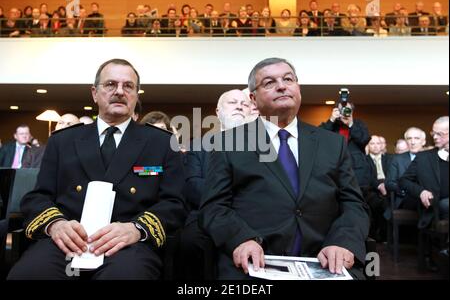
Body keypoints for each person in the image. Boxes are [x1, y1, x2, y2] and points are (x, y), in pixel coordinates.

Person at [7, 59, 186, 280]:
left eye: (128, 86)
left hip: (126, 246)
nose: (120, 91)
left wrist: (136, 229)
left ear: (136, 95)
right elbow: (38, 196)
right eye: (110, 84)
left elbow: (174, 203)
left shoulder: (161, 143)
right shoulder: (62, 141)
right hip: (68, 241)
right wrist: (56, 225)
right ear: (94, 93)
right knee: (28, 275)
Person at [199, 58, 370, 279]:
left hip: (324, 260)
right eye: (269, 82)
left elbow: (354, 203)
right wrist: (241, 239)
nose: (282, 86)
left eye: (288, 79)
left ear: (297, 88)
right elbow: (214, 207)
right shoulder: (227, 144)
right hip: (254, 261)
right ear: (253, 99)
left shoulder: (332, 143)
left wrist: (342, 242)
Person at [178, 89, 250, 279]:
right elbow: (192, 186)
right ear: (218, 112)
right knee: (189, 241)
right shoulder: (198, 146)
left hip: (249, 216)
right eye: (233, 103)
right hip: (204, 215)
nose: (239, 107)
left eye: (244, 104)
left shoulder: (265, 147)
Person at [400, 116, 449, 228]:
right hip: (434, 208)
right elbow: (404, 181)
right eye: (433, 133)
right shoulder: (424, 158)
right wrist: (421, 192)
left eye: (439, 134)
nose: (435, 137)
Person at [319, 102, 373, 197]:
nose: (344, 112)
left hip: (357, 170)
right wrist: (331, 120)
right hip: (335, 168)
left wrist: (350, 124)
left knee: (359, 198)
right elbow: (319, 137)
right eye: (341, 110)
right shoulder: (332, 125)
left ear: (352, 112)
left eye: (347, 110)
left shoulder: (358, 124)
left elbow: (364, 140)